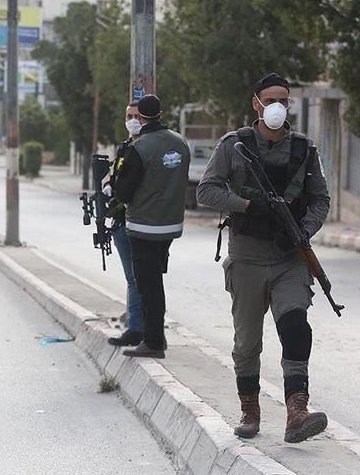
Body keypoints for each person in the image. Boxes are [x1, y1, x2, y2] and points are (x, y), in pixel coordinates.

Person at [196, 73, 331, 443]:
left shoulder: (303, 149)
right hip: (247, 259)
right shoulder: (234, 144)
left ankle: (297, 411)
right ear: (256, 103)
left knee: (296, 325)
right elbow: (206, 191)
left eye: (283, 100)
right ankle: (250, 410)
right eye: (270, 99)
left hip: (289, 258)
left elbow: (320, 199)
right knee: (247, 343)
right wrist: (247, 206)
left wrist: (304, 229)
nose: (277, 106)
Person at [115, 94, 191, 359]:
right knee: (155, 282)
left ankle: (153, 342)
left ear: (141, 117)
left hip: (144, 227)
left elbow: (123, 192)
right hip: (170, 225)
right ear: (160, 113)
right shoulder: (180, 142)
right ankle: (156, 336)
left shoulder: (139, 148)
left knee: (149, 287)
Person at [107, 102, 146, 347]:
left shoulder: (146, 148)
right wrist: (107, 187)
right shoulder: (124, 148)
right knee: (132, 279)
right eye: (129, 116)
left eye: (137, 116)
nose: (132, 120)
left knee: (138, 278)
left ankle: (137, 328)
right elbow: (115, 178)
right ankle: (135, 326)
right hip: (120, 222)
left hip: (139, 222)